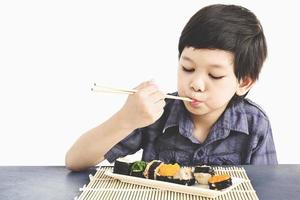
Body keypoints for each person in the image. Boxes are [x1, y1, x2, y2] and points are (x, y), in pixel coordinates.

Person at [65, 4, 277, 171]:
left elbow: (267, 187)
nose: (196, 84)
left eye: (215, 75)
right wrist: (126, 118)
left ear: (244, 82)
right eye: (187, 68)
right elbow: (76, 161)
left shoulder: (255, 123)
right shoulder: (156, 113)